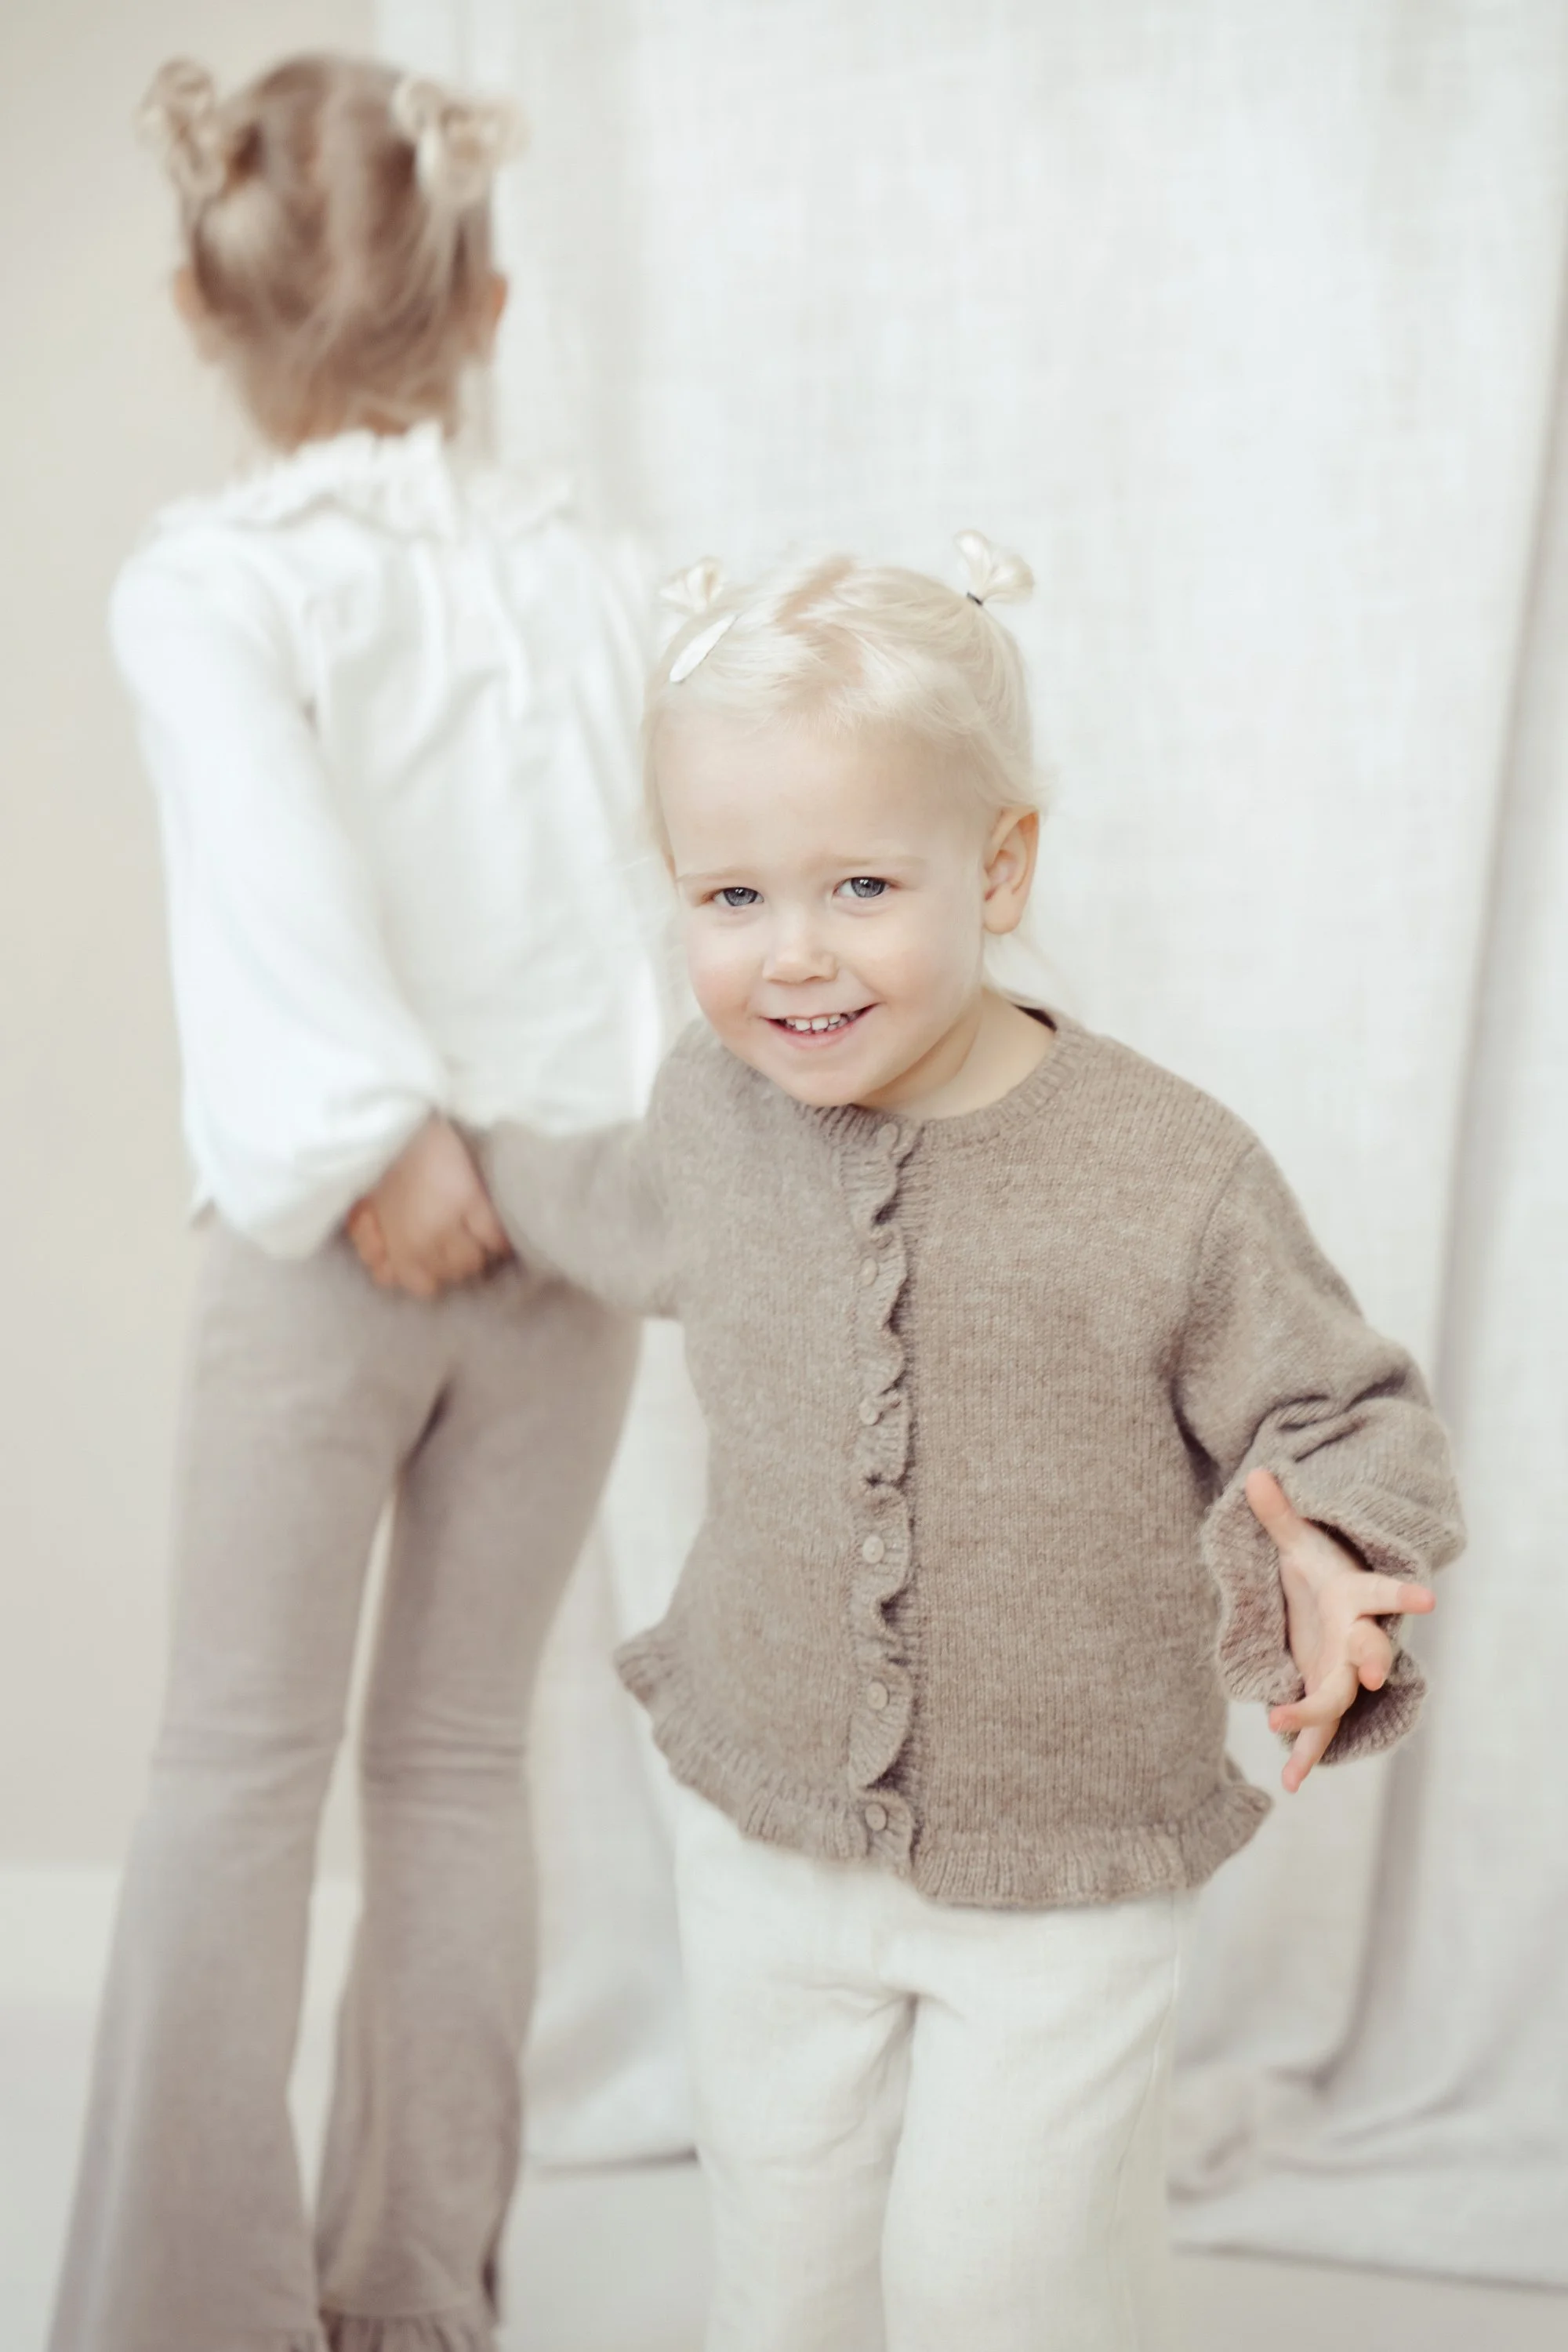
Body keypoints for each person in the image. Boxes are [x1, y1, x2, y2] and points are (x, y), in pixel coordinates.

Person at [352, 535, 1465, 2352]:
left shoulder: (1164, 1170)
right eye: (729, 897)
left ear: (999, 864)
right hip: (770, 1821)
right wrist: (467, 1158)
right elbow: (627, 1213)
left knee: (1004, 2293)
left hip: (1066, 1860)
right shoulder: (710, 1111)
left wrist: (1334, 1554)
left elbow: (1335, 1402)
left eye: (861, 883)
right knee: (777, 2271)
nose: (791, 955)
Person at [49, 53, 666, 2352]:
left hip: (344, 1230)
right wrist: (564, 1151)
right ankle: (415, 2303)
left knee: (236, 1767)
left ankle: (185, 2326)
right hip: (572, 1233)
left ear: (206, 315)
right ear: (486, 300)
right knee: (452, 1769)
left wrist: (383, 1140)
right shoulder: (597, 579)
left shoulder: (212, 583)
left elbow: (273, 870)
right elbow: (650, 876)